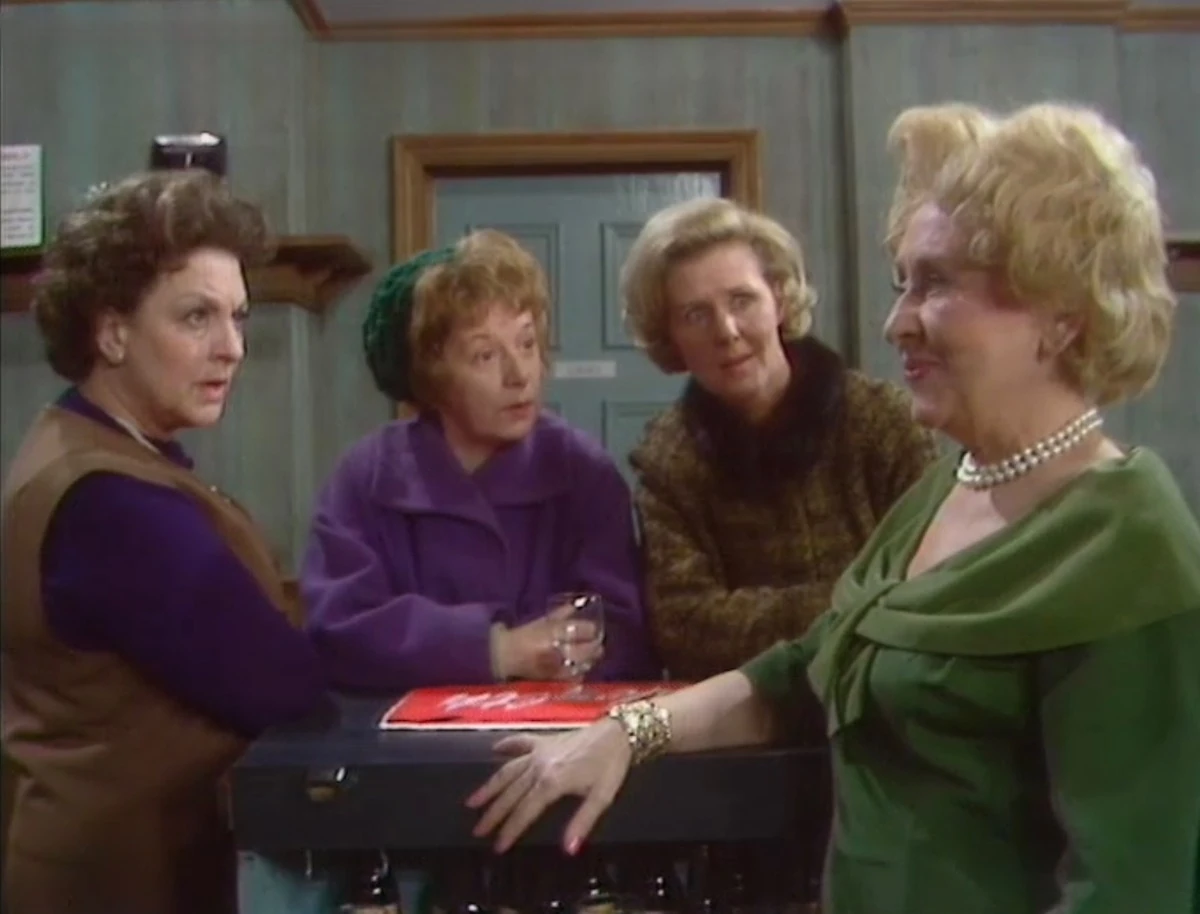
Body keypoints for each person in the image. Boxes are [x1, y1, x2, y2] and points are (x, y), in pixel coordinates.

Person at [466, 102, 1200, 914]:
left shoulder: (1131, 545)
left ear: (1059, 315)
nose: (896, 323)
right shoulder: (946, 489)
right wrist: (626, 735)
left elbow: (1135, 888)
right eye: (902, 284)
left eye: (936, 284)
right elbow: (804, 670)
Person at [0, 170, 327, 914]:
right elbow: (279, 683)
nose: (232, 348)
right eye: (196, 317)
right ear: (112, 331)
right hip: (116, 883)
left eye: (239, 317)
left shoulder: (94, 449)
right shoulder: (110, 501)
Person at [302, 229, 658, 693]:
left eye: (527, 344)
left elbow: (625, 634)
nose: (520, 375)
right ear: (433, 375)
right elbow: (338, 628)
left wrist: (572, 652)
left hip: (560, 727)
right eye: (485, 355)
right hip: (395, 732)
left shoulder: (584, 473)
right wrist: (496, 649)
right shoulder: (367, 477)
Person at [622, 197, 938, 682]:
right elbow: (684, 631)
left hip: (887, 697)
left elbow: (930, 588)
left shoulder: (883, 420)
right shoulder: (668, 459)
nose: (726, 331)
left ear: (779, 299)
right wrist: (858, 600)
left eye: (741, 300)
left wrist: (754, 615)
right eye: (696, 314)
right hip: (736, 715)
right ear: (671, 336)